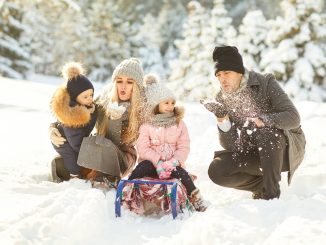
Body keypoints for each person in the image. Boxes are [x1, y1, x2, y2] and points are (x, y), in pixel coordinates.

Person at [204, 46, 306, 200]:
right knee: (217, 169)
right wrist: (222, 118)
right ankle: (260, 186)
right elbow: (231, 146)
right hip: (254, 152)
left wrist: (264, 120)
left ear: (239, 72)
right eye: (218, 75)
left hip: (283, 150)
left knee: (264, 132)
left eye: (226, 73)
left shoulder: (265, 82)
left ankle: (271, 195)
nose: (222, 79)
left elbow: (293, 117)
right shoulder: (222, 97)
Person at [49, 58, 145, 184]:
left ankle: (98, 175)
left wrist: (115, 120)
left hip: (122, 157)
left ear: (137, 85)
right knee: (80, 149)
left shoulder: (142, 108)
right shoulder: (105, 100)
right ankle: (76, 170)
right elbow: (76, 111)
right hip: (98, 150)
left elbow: (116, 141)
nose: (123, 86)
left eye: (129, 82)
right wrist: (54, 128)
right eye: (119, 81)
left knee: (97, 143)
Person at [128, 74, 207, 211]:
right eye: (166, 103)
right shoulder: (147, 125)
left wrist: (174, 162)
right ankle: (128, 191)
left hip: (171, 164)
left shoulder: (178, 124)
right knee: (140, 169)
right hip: (152, 163)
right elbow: (143, 147)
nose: (170, 106)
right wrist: (157, 161)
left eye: (172, 103)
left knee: (183, 174)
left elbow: (184, 146)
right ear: (156, 104)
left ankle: (195, 196)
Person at [50, 62, 97, 179]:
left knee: (81, 158)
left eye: (91, 95)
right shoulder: (72, 117)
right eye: (85, 97)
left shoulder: (87, 106)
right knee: (73, 160)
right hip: (64, 142)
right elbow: (76, 143)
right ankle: (73, 176)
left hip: (76, 140)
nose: (90, 98)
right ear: (75, 98)